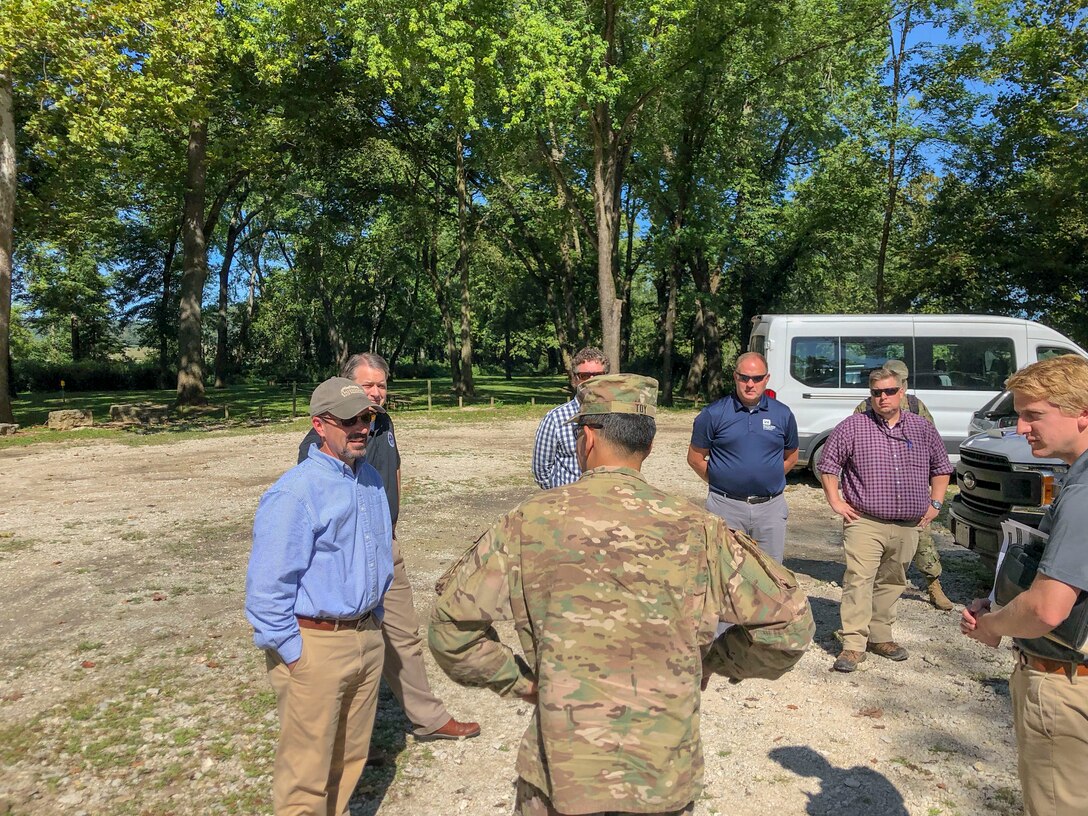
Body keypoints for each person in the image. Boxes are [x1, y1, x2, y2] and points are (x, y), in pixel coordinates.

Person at [430, 374, 815, 816]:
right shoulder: (701, 530)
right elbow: (790, 624)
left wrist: (521, 682)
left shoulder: (527, 522)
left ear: (587, 438)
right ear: (648, 447)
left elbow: (451, 630)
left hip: (562, 776)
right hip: (660, 777)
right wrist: (712, 662)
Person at [297, 353, 480, 742]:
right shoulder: (321, 439)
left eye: (381, 384)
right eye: (368, 386)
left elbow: (394, 469)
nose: (377, 393)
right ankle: (346, 743)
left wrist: (391, 524)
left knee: (403, 634)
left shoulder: (382, 422)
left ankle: (427, 718)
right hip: (348, 555)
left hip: (385, 545)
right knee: (347, 647)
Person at [246, 377, 395, 815]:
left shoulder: (368, 479)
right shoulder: (295, 493)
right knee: (306, 777)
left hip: (366, 637)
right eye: (349, 420)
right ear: (318, 425)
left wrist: (375, 623)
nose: (361, 427)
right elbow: (266, 590)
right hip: (316, 645)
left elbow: (377, 556)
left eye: (367, 417)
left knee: (348, 760)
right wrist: (297, 656)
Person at [960, 355, 1088, 816]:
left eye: (1034, 415)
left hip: (1067, 686)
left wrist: (992, 624)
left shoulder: (1083, 491)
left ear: (1083, 413)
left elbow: (1048, 609)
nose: (1020, 428)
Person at [819, 367, 953, 673]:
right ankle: (853, 645)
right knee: (858, 580)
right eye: (877, 392)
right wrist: (835, 500)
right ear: (871, 395)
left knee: (893, 582)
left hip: (908, 524)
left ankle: (880, 637)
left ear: (902, 392)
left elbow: (942, 467)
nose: (883, 398)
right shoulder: (853, 426)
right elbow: (829, 464)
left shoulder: (922, 428)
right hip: (865, 521)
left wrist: (936, 502)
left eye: (889, 391)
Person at [852, 359, 953, 610]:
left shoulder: (917, 407)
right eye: (881, 389)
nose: (886, 394)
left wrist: (934, 496)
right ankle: (877, 591)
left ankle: (933, 583)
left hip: (912, 489)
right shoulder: (865, 407)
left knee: (923, 540)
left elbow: (933, 448)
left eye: (898, 382)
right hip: (879, 488)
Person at [687, 351, 799, 563]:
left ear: (766, 379)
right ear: (735, 377)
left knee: (771, 575)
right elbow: (695, 458)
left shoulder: (782, 414)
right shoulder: (713, 414)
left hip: (770, 509)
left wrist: (769, 476)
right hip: (725, 507)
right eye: (744, 377)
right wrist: (723, 480)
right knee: (725, 572)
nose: (750, 384)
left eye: (757, 378)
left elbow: (791, 457)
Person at [530, 347, 610, 489]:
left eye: (598, 375)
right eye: (584, 376)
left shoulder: (616, 415)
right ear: (575, 379)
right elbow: (541, 472)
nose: (591, 382)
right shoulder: (555, 419)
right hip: (567, 504)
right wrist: (563, 496)